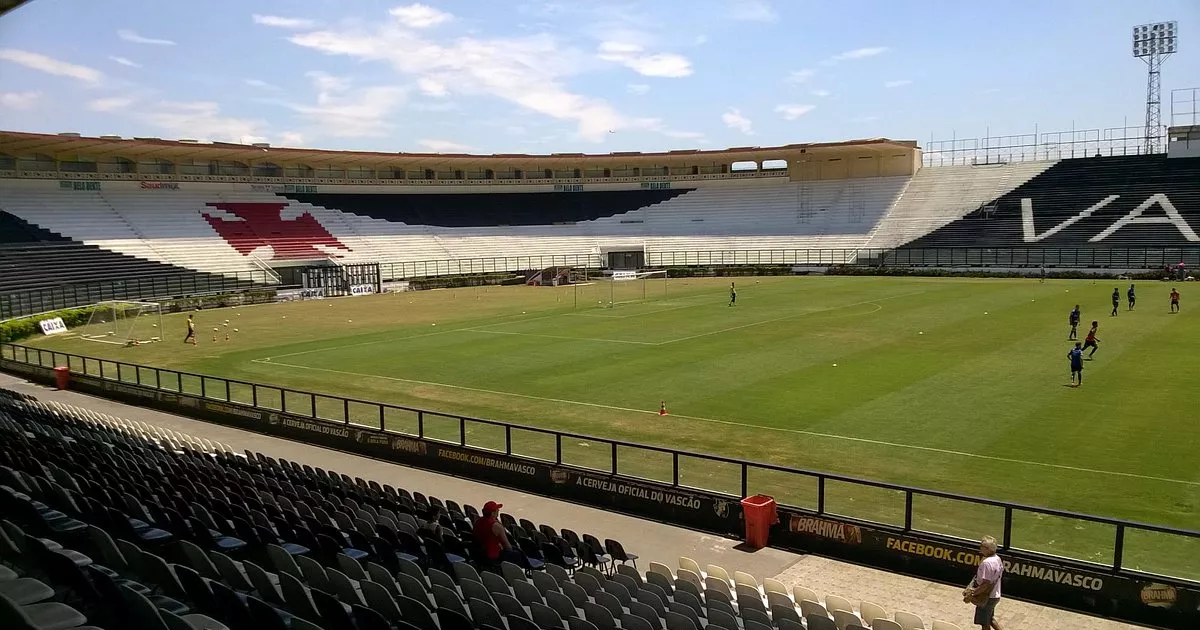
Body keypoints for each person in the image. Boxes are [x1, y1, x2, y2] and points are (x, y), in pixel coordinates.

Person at [963, 536, 1005, 629]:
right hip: (994, 596)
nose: (980, 547)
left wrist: (973, 593)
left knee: (984, 623)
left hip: (987, 597)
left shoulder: (987, 563)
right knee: (990, 619)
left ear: (988, 549)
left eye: (982, 546)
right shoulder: (997, 558)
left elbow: (986, 584)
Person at [472, 500, 519, 568]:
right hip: (491, 557)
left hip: (479, 553)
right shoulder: (496, 526)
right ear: (492, 513)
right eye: (497, 510)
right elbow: (507, 546)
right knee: (516, 554)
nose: (498, 511)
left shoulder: (478, 521)